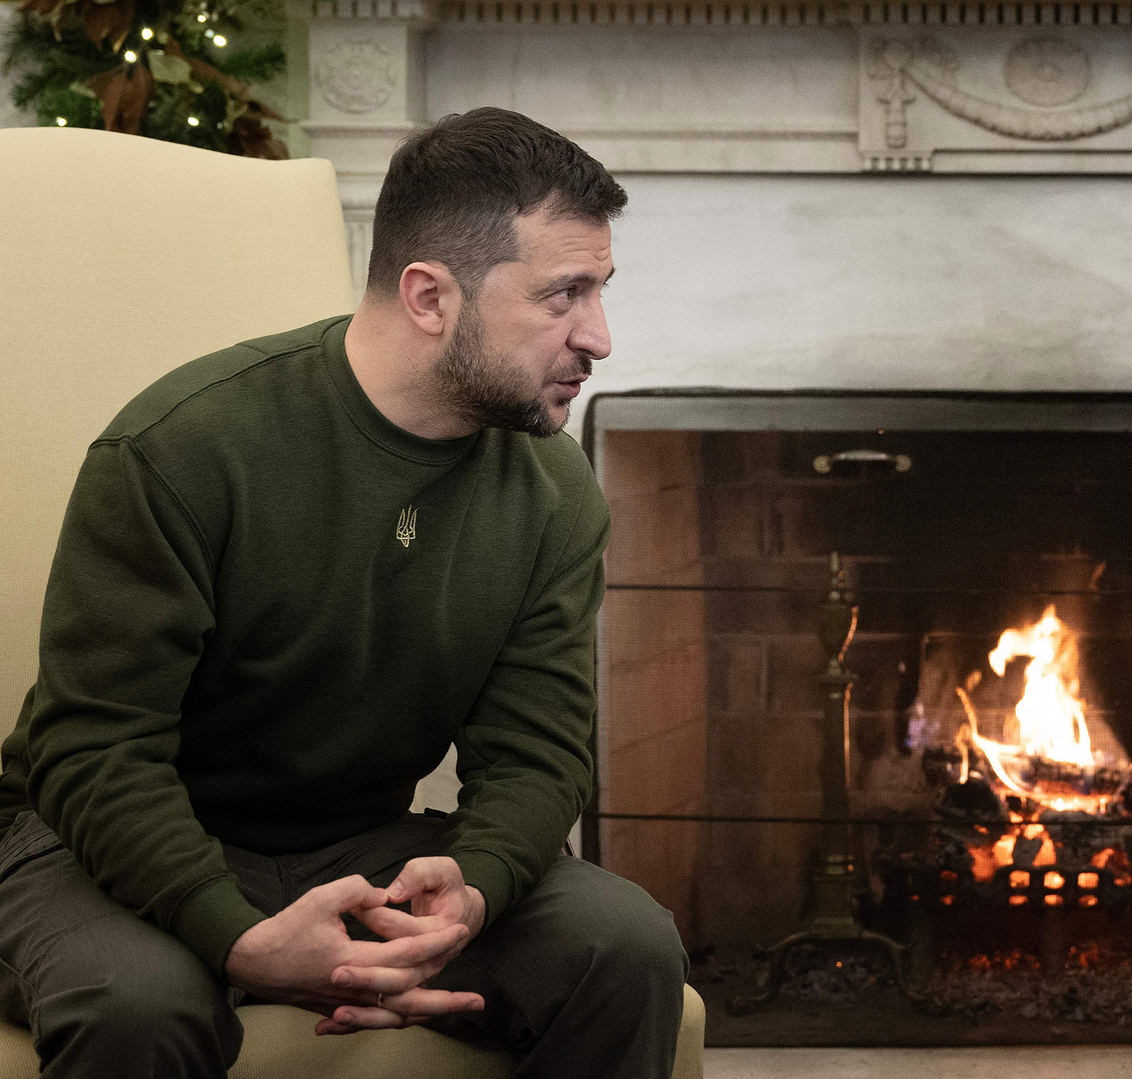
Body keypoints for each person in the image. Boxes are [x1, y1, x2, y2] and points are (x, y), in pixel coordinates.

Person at [0, 107, 688, 1078]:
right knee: (140, 1007)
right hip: (93, 840)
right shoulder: (185, 448)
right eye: (564, 294)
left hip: (349, 841)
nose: (600, 337)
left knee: (625, 946)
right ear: (427, 296)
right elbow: (94, 748)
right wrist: (236, 935)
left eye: (601, 289)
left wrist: (474, 890)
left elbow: (537, 748)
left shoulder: (552, 489)